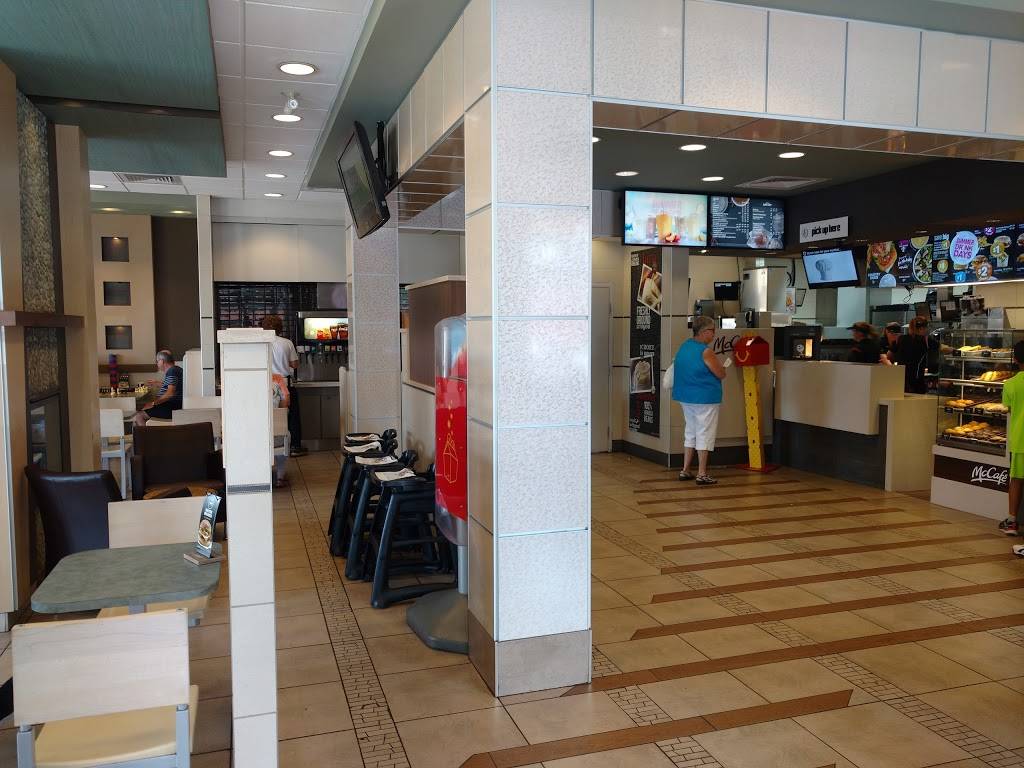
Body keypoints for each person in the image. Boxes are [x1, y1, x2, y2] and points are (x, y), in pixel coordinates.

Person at [671, 315, 727, 486]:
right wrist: (723, 368)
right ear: (703, 332)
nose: (714, 334)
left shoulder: (684, 346)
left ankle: (685, 469)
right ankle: (702, 473)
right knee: (705, 433)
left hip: (685, 397)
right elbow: (720, 373)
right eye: (712, 331)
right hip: (704, 398)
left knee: (691, 432)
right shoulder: (706, 351)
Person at [262, 315, 305, 457]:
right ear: (280, 328)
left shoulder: (261, 342)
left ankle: (271, 446)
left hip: (267, 384)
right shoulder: (287, 343)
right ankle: (295, 447)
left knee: (270, 415)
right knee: (292, 415)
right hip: (284, 384)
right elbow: (295, 364)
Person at [1000, 340, 1024, 539]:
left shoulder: (1010, 384)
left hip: (1019, 439)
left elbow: (1008, 409)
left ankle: (1012, 522)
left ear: (1015, 359)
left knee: (1016, 480)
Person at [134, 350, 183, 426]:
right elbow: (173, 387)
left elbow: (170, 393)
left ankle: (145, 434)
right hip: (171, 405)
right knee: (139, 410)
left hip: (170, 407)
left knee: (138, 416)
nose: (157, 364)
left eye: (157, 361)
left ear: (162, 361)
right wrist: (159, 384)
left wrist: (153, 403)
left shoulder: (172, 371)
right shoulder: (176, 369)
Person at [888, 316, 932, 393]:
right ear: (922, 328)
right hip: (916, 380)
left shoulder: (901, 338)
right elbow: (944, 349)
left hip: (901, 378)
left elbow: (889, 355)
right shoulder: (925, 340)